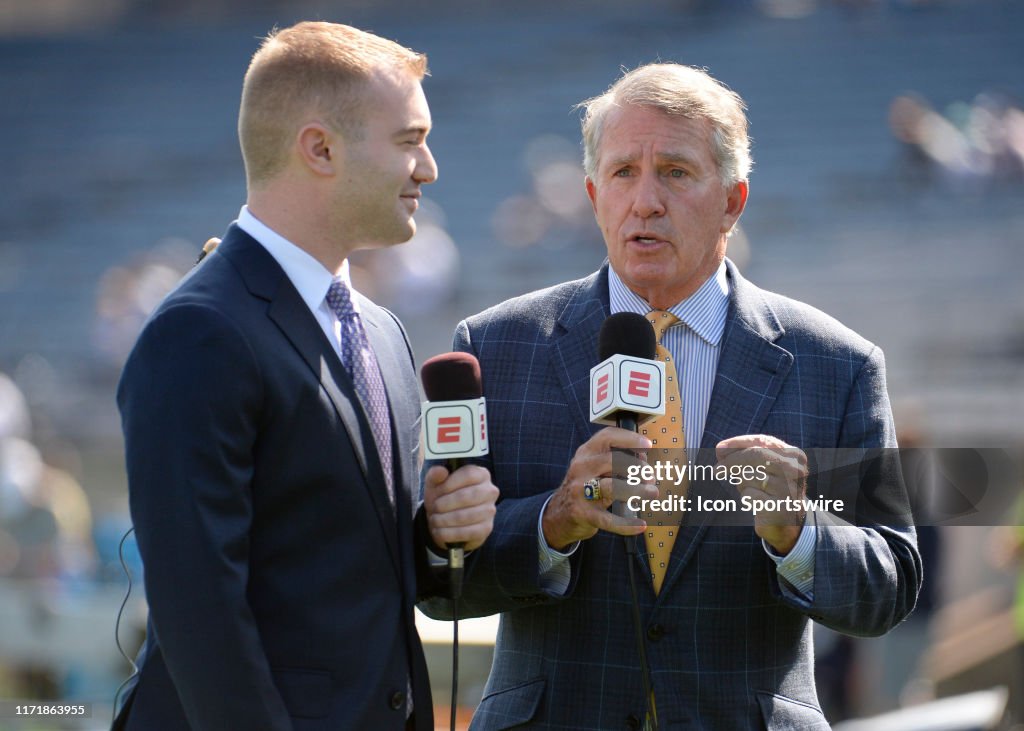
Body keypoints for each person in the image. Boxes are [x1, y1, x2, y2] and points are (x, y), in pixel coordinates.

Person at [420, 63, 921, 730]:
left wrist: (798, 529)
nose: (646, 200)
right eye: (624, 172)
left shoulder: (833, 363)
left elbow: (889, 583)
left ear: (733, 200)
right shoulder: (496, 346)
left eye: (677, 172)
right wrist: (555, 519)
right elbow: (442, 583)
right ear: (596, 196)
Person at [114, 22, 498, 731]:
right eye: (410, 140)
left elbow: (346, 563)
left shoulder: (382, 332)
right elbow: (204, 617)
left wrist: (441, 530)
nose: (430, 167)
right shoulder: (198, 331)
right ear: (320, 148)